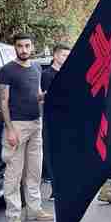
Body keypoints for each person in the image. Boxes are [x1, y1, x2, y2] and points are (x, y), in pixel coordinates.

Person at [0, 33, 54, 222]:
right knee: (13, 173)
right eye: (20, 46)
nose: (24, 49)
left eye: (27, 45)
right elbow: (3, 101)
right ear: (15, 48)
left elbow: (37, 94)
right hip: (17, 126)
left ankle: (34, 209)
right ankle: (13, 215)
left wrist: (45, 96)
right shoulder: (7, 71)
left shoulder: (37, 67)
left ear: (32, 47)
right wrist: (10, 129)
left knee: (34, 171)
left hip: (35, 124)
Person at [41, 44, 71, 200]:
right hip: (53, 120)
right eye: (64, 55)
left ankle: (65, 188)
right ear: (56, 56)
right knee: (54, 155)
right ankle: (55, 190)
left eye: (68, 55)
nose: (66, 58)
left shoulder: (69, 74)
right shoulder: (47, 74)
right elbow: (49, 98)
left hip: (67, 119)